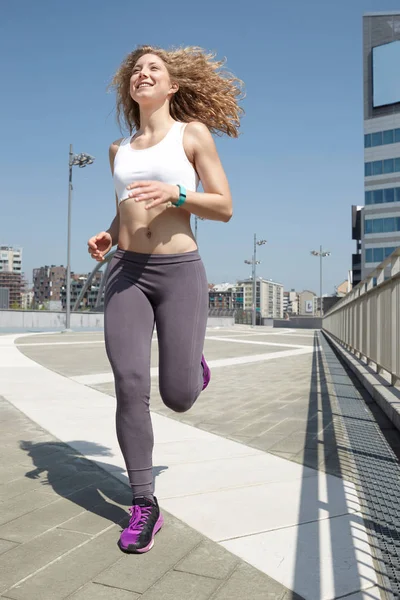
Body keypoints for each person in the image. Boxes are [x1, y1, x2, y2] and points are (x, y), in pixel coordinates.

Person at [87, 45, 244, 554]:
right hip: (126, 273)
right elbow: (124, 208)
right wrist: (110, 235)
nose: (143, 74)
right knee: (130, 385)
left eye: (154, 69)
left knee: (177, 395)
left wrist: (177, 195)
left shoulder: (191, 134)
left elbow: (223, 206)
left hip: (179, 271)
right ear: (129, 89)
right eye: (136, 70)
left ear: (172, 86)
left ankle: (191, 360)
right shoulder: (119, 150)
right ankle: (144, 503)